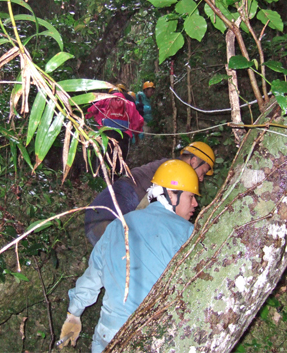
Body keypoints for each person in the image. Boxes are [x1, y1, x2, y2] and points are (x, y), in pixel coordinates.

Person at [58, 160, 200, 352]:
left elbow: (93, 276)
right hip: (149, 338)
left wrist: (73, 314)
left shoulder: (118, 224)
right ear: (171, 194)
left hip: (108, 334)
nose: (195, 204)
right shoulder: (188, 235)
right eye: (191, 196)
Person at [84, 141, 215, 245]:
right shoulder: (172, 172)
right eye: (203, 172)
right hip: (110, 217)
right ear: (193, 161)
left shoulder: (165, 167)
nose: (202, 178)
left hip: (95, 215)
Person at [86, 90, 144, 171]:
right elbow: (138, 122)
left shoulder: (104, 100)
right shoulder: (129, 104)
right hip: (123, 138)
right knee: (120, 164)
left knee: (103, 164)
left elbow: (89, 113)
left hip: (105, 137)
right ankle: (117, 180)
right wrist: (137, 135)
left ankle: (103, 181)